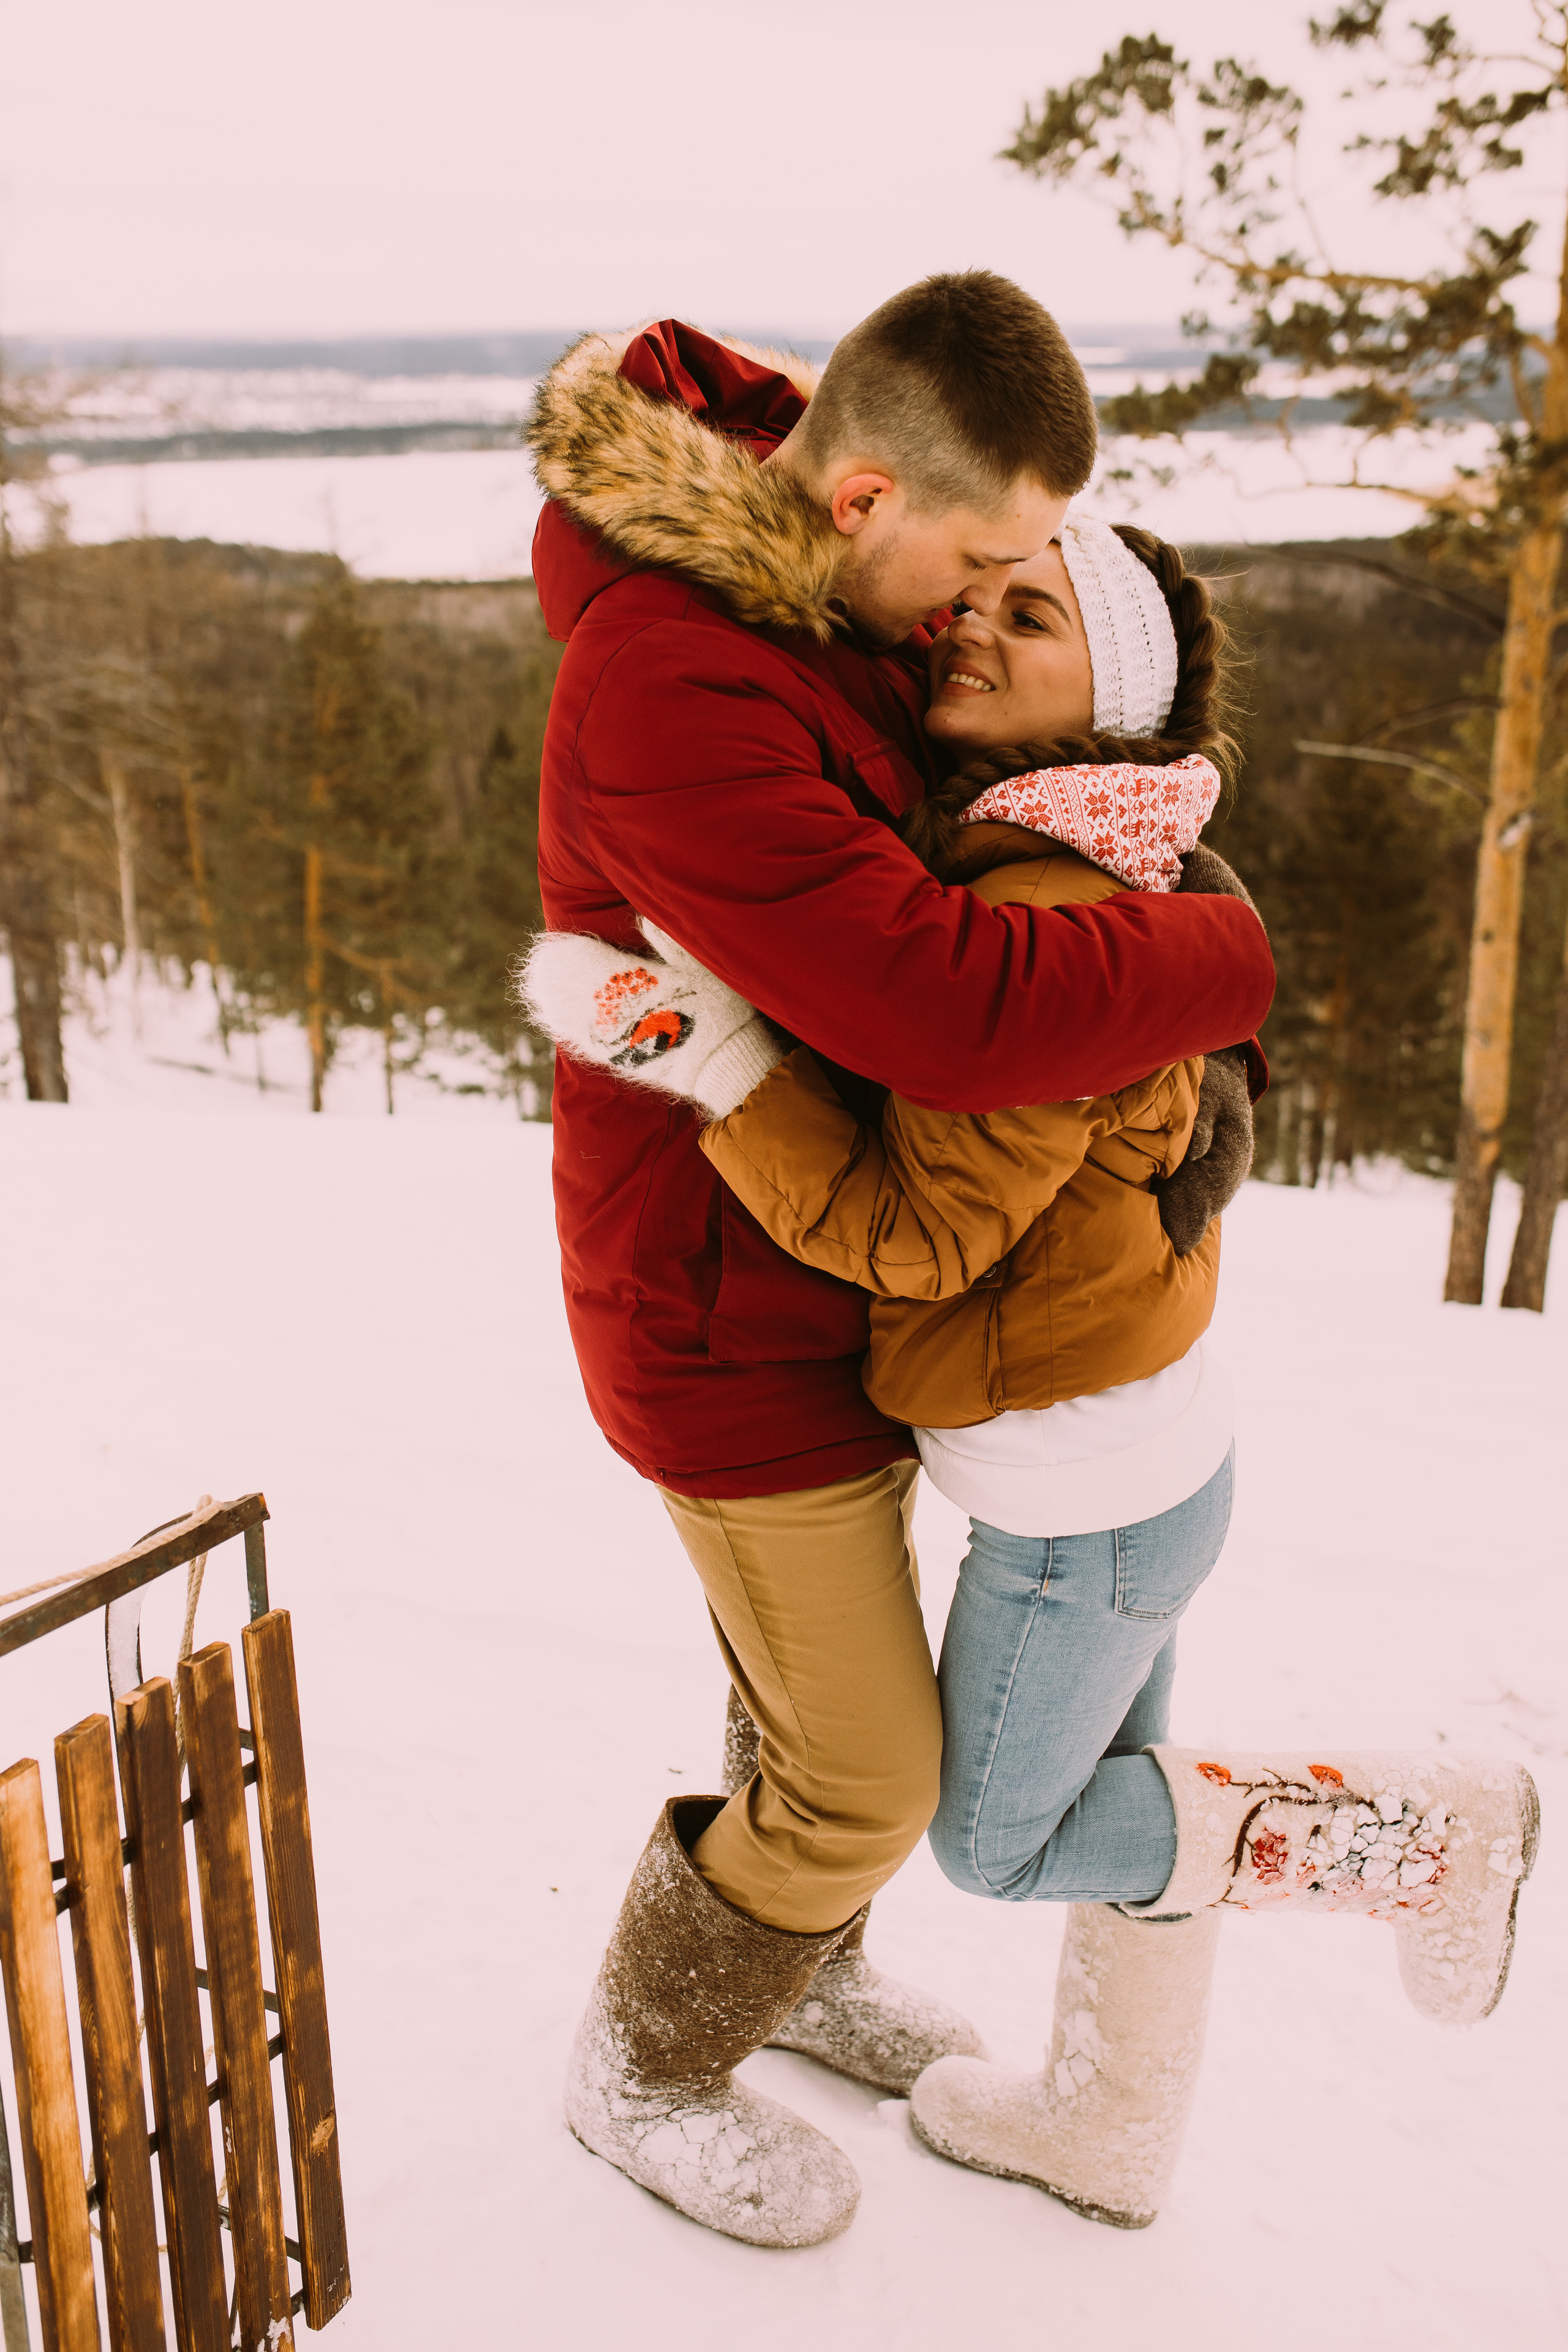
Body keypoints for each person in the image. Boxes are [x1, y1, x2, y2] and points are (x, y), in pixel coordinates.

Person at [535, 516, 1539, 2235]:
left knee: (1007, 1839)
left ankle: (1419, 1841)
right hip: (1142, 1475)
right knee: (1139, 1806)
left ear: (1117, 699)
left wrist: (701, 1053)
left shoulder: (1032, 922)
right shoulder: (1094, 866)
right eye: (976, 598)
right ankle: (1108, 2125)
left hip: (1086, 1512)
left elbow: (913, 1242)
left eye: (1033, 618)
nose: (970, 631)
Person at [523, 272, 1275, 2248]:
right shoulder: (677, 683)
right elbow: (943, 1004)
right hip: (721, 1304)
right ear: (860, 500)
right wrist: (1225, 949)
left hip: (825, 1291)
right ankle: (649, 2061)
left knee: (802, 1702)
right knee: (862, 1769)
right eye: (990, 558)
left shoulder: (825, 605)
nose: (988, 598)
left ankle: (796, 1967)